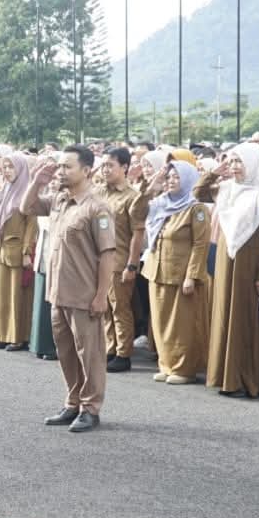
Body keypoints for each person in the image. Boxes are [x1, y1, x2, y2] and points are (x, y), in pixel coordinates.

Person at [21, 146, 116, 433]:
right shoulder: (61, 200)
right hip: (58, 292)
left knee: (90, 354)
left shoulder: (96, 207)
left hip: (84, 295)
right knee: (66, 352)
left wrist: (101, 296)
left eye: (67, 167)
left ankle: (90, 408)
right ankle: (72, 401)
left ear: (86, 171)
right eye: (59, 166)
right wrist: (36, 181)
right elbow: (26, 207)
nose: (61, 171)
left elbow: (108, 255)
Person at [195, 142, 259, 399]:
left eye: (238, 161)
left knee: (247, 319)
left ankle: (248, 379)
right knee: (224, 314)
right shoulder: (227, 189)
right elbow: (198, 193)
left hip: (250, 264)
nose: (234, 166)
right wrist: (214, 173)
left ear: (253, 163)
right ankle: (225, 377)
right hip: (226, 258)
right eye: (231, 161)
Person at [140, 161, 209, 384]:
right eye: (168, 177)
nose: (171, 181)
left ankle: (184, 368)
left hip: (180, 274)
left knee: (181, 324)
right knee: (160, 322)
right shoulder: (160, 204)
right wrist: (152, 185)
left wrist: (192, 276)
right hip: (157, 270)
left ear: (188, 180)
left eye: (176, 177)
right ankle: (166, 364)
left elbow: (200, 244)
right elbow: (135, 211)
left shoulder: (195, 208)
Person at [95, 147, 149, 373]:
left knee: (120, 308)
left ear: (125, 168)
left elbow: (138, 234)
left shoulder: (132, 197)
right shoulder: (99, 192)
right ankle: (110, 348)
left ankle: (123, 353)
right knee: (104, 308)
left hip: (120, 260)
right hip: (100, 259)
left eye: (111, 165)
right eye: (104, 165)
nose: (106, 169)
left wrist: (131, 265)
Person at [0, 153, 36, 351]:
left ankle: (17, 337)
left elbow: (31, 225)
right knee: (1, 295)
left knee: (16, 296)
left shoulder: (27, 193)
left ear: (21, 169)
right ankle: (2, 335)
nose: (6, 171)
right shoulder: (2, 191)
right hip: (0, 248)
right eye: (4, 167)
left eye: (11, 167)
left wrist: (27, 251)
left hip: (17, 249)